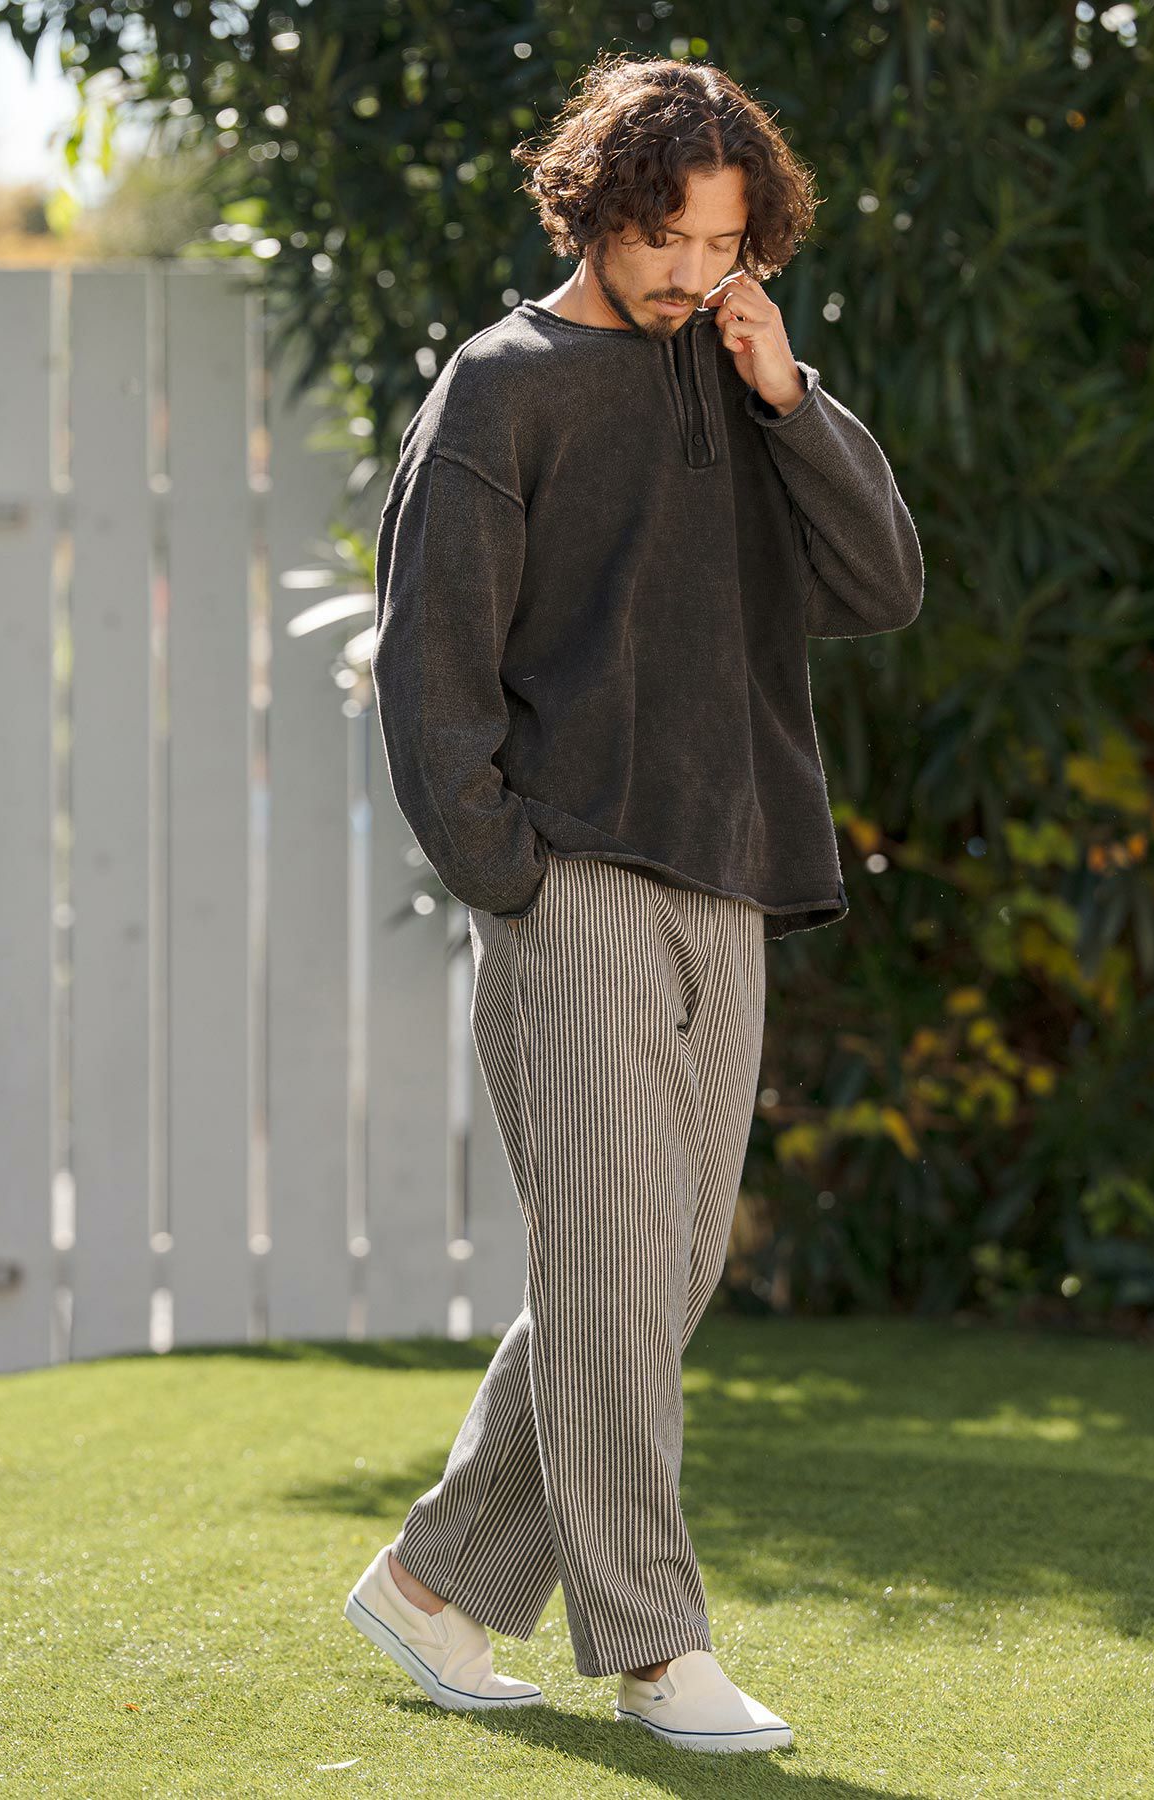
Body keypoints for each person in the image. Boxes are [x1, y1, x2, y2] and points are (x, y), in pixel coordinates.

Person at [344, 50, 924, 1754]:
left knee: (661, 1271)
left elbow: (883, 584)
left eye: (723, 243)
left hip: (735, 867)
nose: (689, 272)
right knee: (607, 1262)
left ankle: (436, 1580)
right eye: (665, 237)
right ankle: (656, 1643)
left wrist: (790, 395)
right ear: (594, 207)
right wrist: (511, 878)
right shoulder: (498, 388)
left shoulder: (741, 375)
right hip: (577, 878)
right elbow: (430, 670)